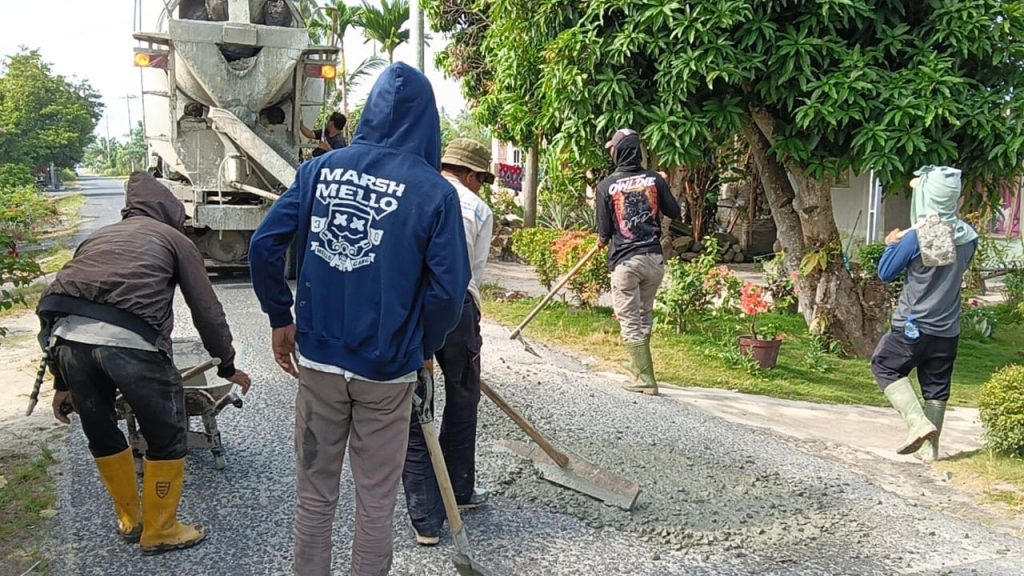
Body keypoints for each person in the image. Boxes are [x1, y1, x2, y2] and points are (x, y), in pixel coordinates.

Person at [248, 63, 471, 576]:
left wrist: (280, 316)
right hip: (387, 371)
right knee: (375, 500)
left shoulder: (319, 171)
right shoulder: (434, 192)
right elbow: (448, 291)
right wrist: (422, 347)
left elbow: (263, 245)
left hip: (319, 362)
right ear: (428, 122)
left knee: (315, 493)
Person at [35, 171, 251, 554]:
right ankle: (161, 529)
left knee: (101, 431)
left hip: (68, 341)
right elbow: (207, 311)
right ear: (170, 210)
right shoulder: (174, 239)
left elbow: (58, 304)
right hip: (131, 343)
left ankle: (130, 519)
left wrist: (62, 382)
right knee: (166, 434)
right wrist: (226, 366)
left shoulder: (97, 237)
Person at [402, 138, 495, 546]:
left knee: (416, 402)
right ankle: (458, 489)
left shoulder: (414, 190)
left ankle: (425, 515)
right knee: (463, 398)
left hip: (412, 306)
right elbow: (473, 272)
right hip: (457, 308)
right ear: (471, 175)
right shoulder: (476, 207)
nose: (481, 186)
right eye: (482, 179)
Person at [872, 166, 978, 460]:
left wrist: (891, 245)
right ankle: (931, 451)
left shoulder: (917, 237)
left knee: (884, 365)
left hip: (913, 325)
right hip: (948, 329)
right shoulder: (969, 236)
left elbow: (885, 273)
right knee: (936, 386)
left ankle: (917, 424)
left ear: (927, 197)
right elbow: (948, 262)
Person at [596, 128, 681, 396]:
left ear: (620, 151)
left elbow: (604, 230)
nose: (611, 152)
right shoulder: (654, 180)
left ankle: (645, 378)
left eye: (613, 148)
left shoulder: (606, 186)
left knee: (629, 320)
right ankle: (639, 367)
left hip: (626, 262)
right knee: (644, 314)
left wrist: (601, 240)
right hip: (654, 260)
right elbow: (674, 211)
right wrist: (660, 185)